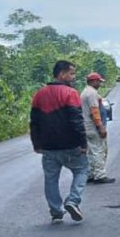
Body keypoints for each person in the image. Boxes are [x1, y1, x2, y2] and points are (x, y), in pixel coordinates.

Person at [30, 60, 88, 223]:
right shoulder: (70, 93)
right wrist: (83, 144)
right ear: (62, 74)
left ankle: (56, 212)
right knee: (82, 170)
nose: (73, 77)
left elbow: (34, 122)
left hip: (48, 147)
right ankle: (73, 200)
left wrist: (36, 144)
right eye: (71, 73)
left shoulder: (39, 94)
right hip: (70, 145)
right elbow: (77, 121)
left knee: (51, 178)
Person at [80, 72, 114, 184]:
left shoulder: (85, 92)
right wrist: (100, 127)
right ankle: (100, 175)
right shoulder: (91, 94)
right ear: (93, 81)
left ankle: (90, 174)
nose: (99, 83)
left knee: (90, 152)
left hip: (86, 126)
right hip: (93, 127)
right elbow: (94, 111)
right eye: (98, 81)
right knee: (98, 150)